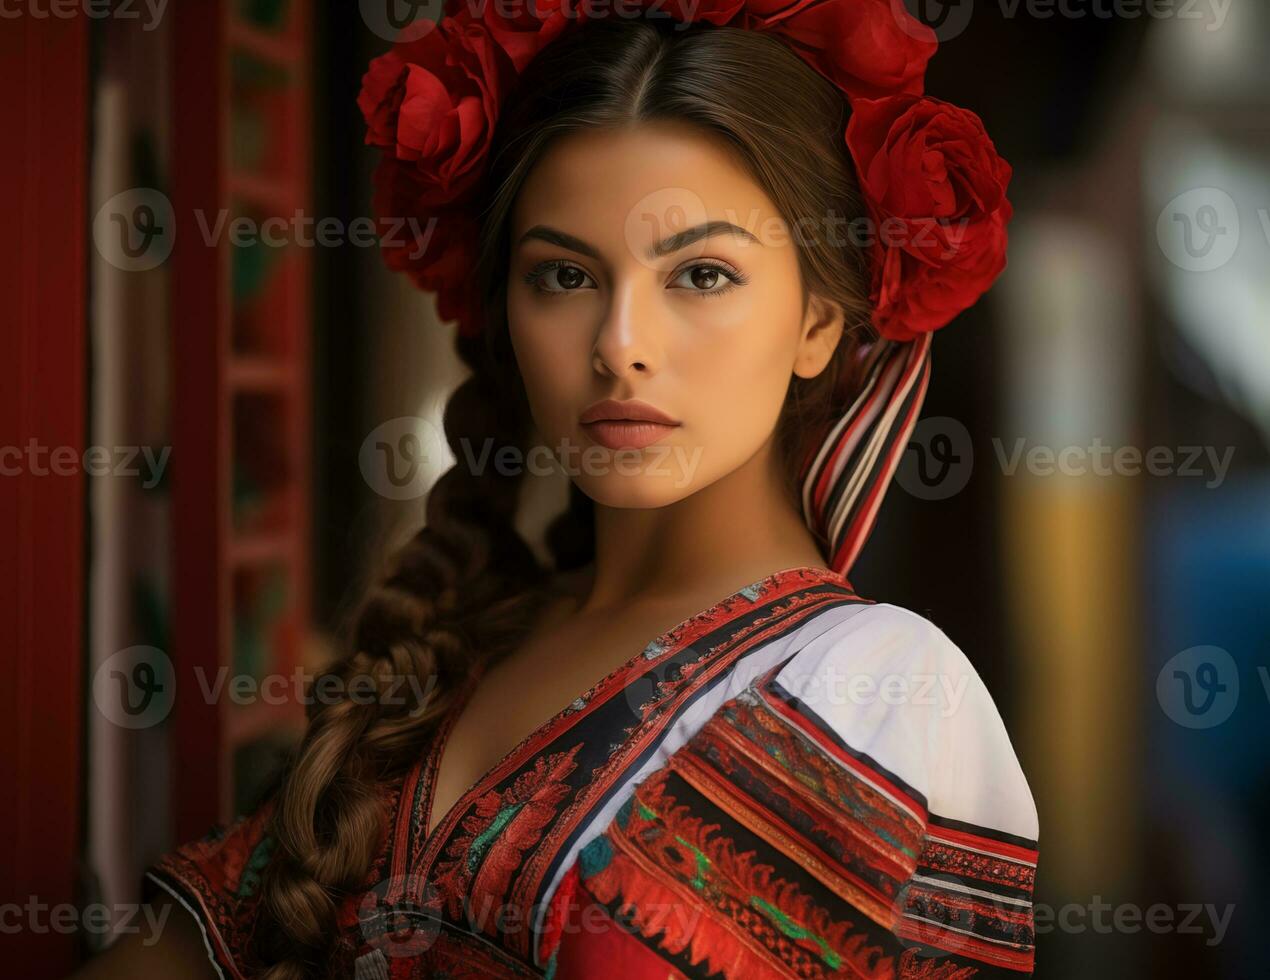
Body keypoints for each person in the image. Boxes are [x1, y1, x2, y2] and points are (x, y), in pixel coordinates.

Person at [72, 4, 1038, 978]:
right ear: (506, 311)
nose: (620, 343)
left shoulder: (877, 683)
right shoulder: (457, 654)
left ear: (818, 326)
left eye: (700, 273)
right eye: (564, 275)